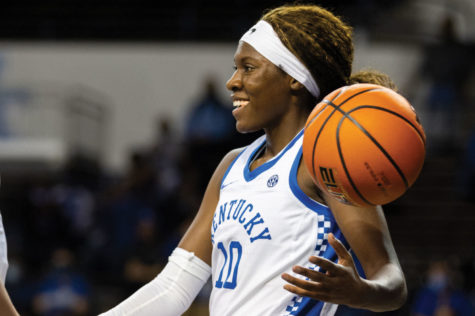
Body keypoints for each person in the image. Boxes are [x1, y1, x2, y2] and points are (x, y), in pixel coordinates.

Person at [100, 4, 407, 315]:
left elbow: (392, 282)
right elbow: (173, 288)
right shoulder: (230, 166)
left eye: (248, 68)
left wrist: (362, 291)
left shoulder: (326, 161)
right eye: (236, 67)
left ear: (294, 78)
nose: (232, 82)